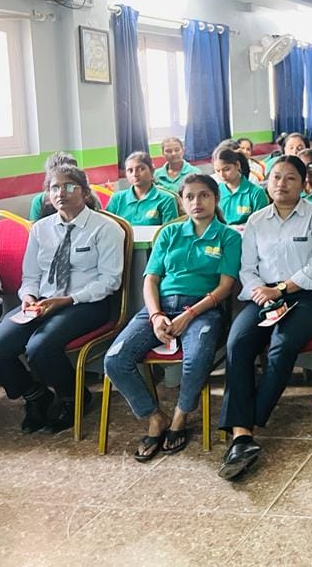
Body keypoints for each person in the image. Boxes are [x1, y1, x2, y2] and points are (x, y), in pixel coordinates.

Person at [104, 173, 240, 461]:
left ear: (215, 198)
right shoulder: (169, 233)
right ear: (181, 200)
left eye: (204, 195)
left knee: (197, 357)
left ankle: (180, 416)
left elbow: (225, 286)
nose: (196, 202)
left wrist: (189, 314)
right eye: (189, 196)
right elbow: (150, 280)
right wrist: (155, 316)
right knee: (115, 359)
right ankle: (155, 417)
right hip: (161, 307)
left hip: (204, 310)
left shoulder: (227, 236)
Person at [218, 155, 312, 480]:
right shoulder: (257, 221)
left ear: (303, 184)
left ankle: (250, 421)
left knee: (282, 346)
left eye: (290, 178)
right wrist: (261, 290)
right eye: (275, 178)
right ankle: (243, 437)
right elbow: (247, 267)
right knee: (238, 342)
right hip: (262, 296)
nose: (281, 184)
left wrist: (282, 288)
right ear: (266, 182)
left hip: (306, 298)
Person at [0, 165, 124, 433]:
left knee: (39, 346)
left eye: (69, 186)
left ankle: (73, 397)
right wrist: (28, 296)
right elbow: (30, 275)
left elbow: (109, 281)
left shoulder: (105, 228)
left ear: (86, 192)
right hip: (43, 301)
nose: (60, 193)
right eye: (54, 187)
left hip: (87, 303)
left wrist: (66, 300)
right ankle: (35, 395)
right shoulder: (40, 229)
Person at [106, 151, 179, 226]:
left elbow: (170, 233)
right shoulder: (117, 199)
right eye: (130, 170)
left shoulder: (167, 199)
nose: (135, 174)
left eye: (140, 169)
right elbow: (107, 228)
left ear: (152, 170)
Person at [28, 152, 97, 221]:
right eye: (55, 187)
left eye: (68, 185)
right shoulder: (40, 201)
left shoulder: (90, 198)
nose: (60, 194)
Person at [214, 145, 268, 225]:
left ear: (237, 165)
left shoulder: (256, 193)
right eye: (218, 171)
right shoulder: (215, 192)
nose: (222, 175)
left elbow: (261, 225)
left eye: (226, 169)